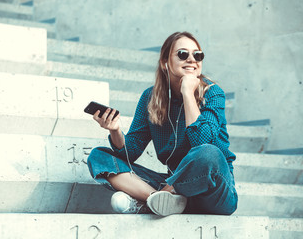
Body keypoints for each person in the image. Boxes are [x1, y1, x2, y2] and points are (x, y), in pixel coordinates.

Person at [87, 31, 238, 216]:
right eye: (183, 54)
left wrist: (188, 93)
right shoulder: (151, 98)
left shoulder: (213, 93)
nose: (192, 59)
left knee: (208, 153)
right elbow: (131, 152)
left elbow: (202, 142)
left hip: (215, 192)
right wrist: (115, 131)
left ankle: (155, 200)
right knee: (99, 157)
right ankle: (158, 199)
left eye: (197, 55)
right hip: (176, 188)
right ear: (165, 63)